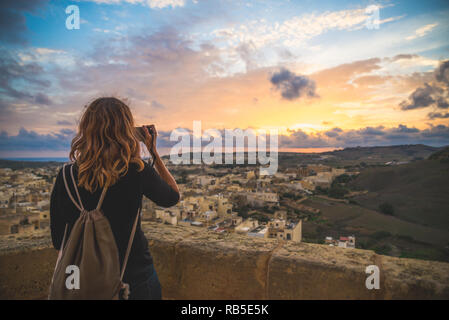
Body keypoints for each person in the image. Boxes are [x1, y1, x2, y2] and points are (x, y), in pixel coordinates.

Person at [50, 97, 180, 300]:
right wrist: (153, 151)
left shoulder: (65, 175)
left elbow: (59, 239)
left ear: (87, 129)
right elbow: (172, 197)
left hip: (77, 279)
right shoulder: (136, 170)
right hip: (131, 278)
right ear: (126, 131)